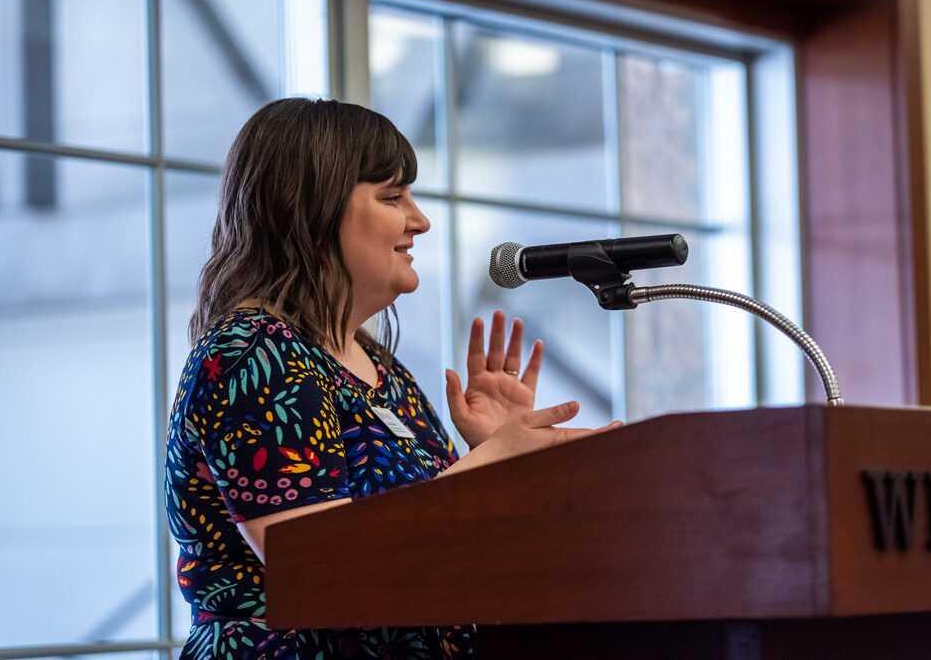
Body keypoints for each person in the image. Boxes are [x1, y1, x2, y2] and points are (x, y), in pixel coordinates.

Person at [164, 97, 621, 659]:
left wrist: (493, 467)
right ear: (312, 211)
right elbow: (320, 570)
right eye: (392, 196)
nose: (420, 220)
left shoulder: (380, 369)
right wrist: (481, 471)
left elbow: (430, 548)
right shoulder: (250, 355)